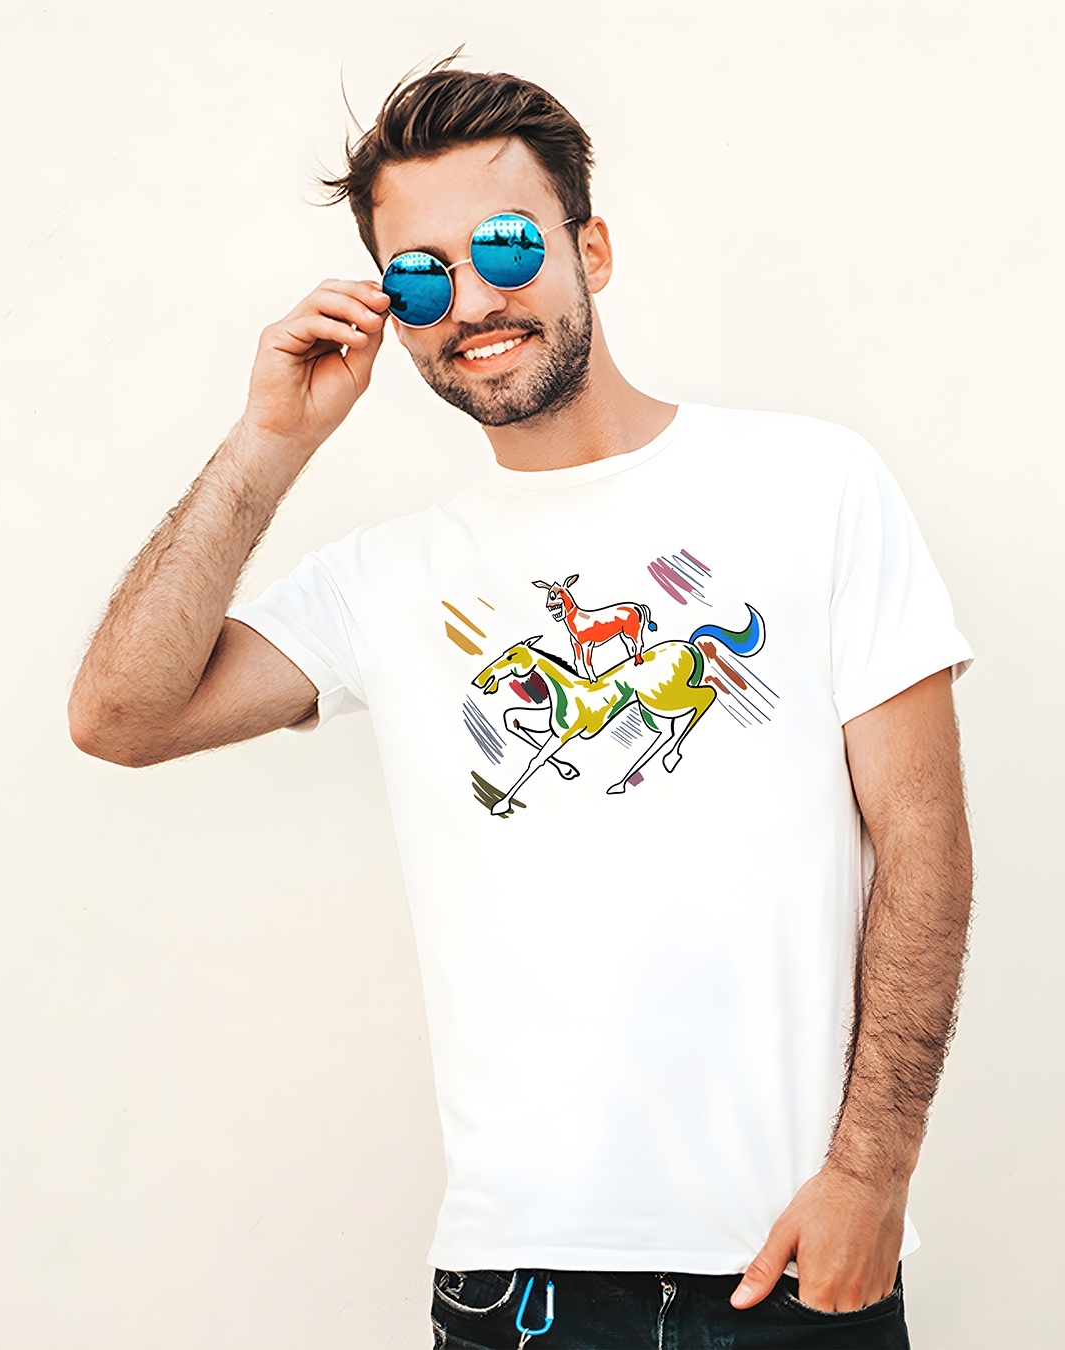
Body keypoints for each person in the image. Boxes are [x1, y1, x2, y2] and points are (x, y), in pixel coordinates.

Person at [68, 63, 974, 1350]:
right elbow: (119, 715)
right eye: (422, 276)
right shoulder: (383, 579)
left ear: (589, 249)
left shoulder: (814, 484)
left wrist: (875, 1174)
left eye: (505, 246)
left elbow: (925, 842)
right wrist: (272, 438)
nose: (474, 300)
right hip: (520, 1290)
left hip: (794, 1262)